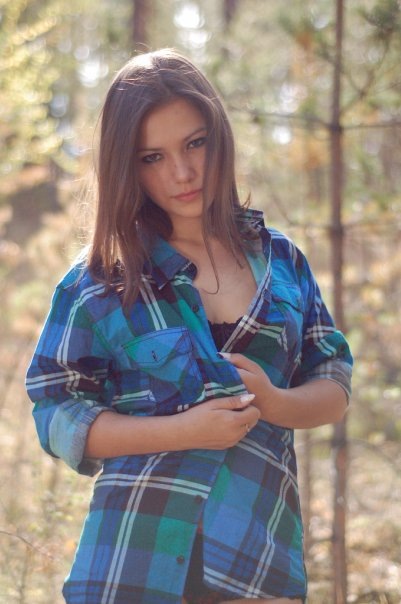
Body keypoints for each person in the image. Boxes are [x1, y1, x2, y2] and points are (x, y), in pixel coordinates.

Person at [26, 48, 353, 604]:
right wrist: (182, 431)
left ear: (219, 137)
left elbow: (335, 382)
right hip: (134, 567)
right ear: (127, 167)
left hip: (259, 563)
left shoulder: (282, 261)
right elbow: (55, 415)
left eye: (194, 143)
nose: (181, 173)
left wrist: (275, 402)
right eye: (152, 157)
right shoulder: (101, 280)